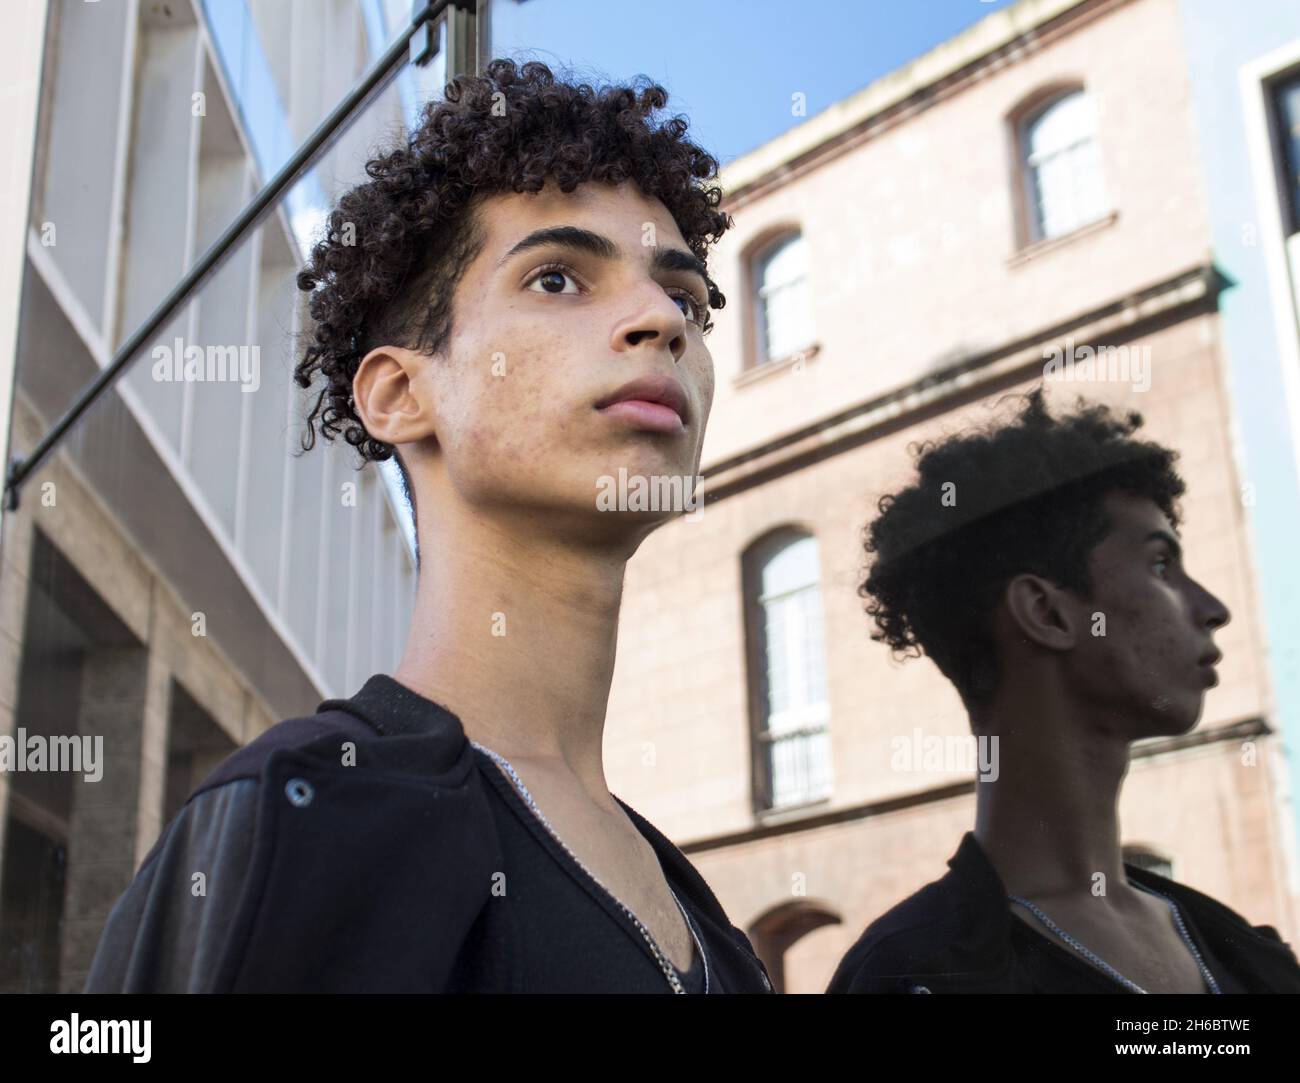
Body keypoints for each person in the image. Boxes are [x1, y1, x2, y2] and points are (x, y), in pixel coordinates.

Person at [85, 58, 773, 994]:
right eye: (561, 279)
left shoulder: (709, 923)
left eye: (685, 298)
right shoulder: (308, 812)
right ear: (403, 393)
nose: (662, 320)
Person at [827, 388, 1300, 994]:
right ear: (1046, 613)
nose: (1213, 609)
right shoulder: (917, 974)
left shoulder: (1241, 950)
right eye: (1160, 565)